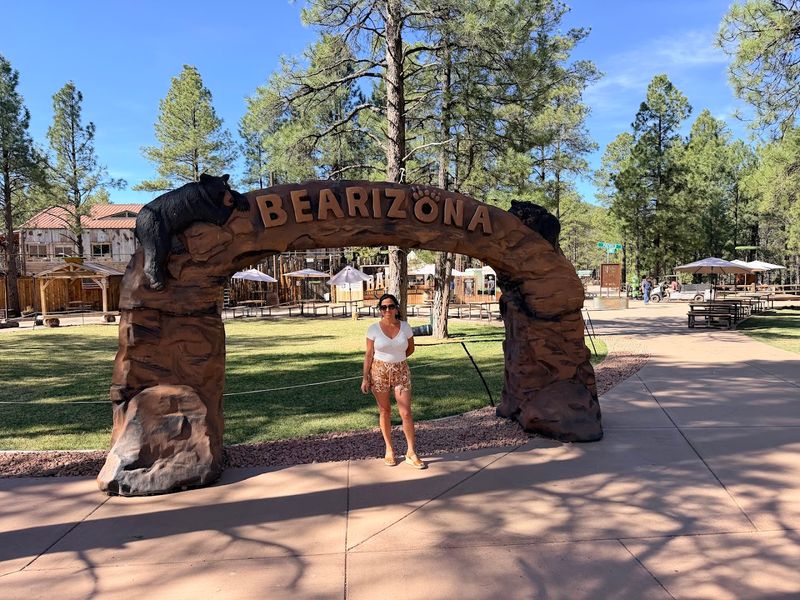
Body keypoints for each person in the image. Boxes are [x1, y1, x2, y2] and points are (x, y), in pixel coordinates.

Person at [360, 293, 426, 469]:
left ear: (396, 308)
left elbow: (411, 349)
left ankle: (411, 452)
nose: (387, 310)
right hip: (379, 372)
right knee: (385, 411)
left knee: (406, 412)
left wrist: (397, 361)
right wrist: (365, 377)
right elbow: (369, 354)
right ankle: (389, 449)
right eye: (383, 307)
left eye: (390, 306)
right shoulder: (373, 329)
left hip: (401, 371)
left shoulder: (405, 327)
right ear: (380, 310)